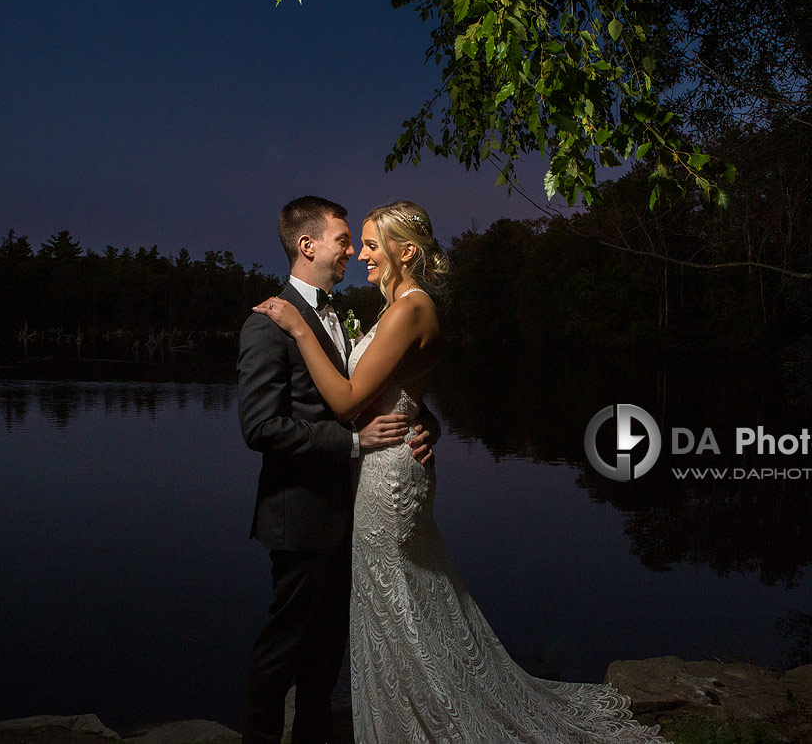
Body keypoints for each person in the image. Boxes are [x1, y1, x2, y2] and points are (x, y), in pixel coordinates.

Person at [253, 200, 667, 743]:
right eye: (356, 242)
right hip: (370, 471)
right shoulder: (393, 307)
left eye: (372, 245)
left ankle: (424, 720)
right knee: (395, 605)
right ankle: (403, 715)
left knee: (400, 603)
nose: (361, 255)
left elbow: (355, 400)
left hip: (387, 477)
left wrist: (303, 334)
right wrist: (424, 420)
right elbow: (397, 392)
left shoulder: (410, 309)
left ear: (407, 251)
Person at [237, 196, 440, 744]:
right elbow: (261, 428)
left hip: (354, 510)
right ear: (308, 246)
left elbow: (388, 390)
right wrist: (351, 441)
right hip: (300, 514)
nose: (353, 250)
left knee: (325, 654)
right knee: (283, 648)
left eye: (360, 242)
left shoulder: (342, 313)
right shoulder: (268, 324)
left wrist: (425, 425)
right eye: (344, 240)